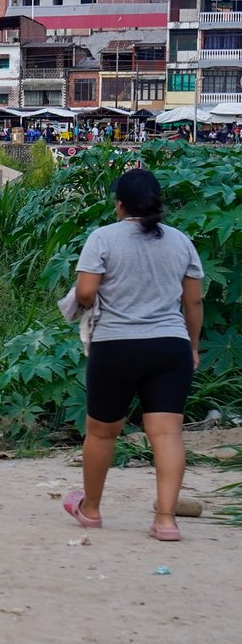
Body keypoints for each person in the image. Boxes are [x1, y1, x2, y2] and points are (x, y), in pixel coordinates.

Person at [65, 169, 204, 542]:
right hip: (169, 345)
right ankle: (165, 520)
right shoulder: (180, 242)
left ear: (120, 204)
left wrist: (85, 303)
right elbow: (193, 300)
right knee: (167, 433)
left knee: (102, 431)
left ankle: (91, 509)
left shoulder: (103, 238)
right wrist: (191, 347)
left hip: (117, 345)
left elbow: (86, 291)